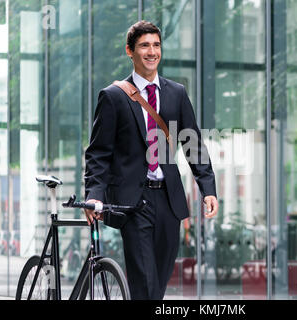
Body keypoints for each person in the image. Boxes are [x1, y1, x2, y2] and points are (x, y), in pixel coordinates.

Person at [83, 20, 219, 300]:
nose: (152, 51)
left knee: (156, 282)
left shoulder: (176, 93)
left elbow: (192, 142)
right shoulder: (114, 97)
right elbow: (99, 152)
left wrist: (208, 188)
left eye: (156, 45)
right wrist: (94, 194)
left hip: (169, 202)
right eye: (144, 45)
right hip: (134, 202)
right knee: (144, 281)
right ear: (130, 51)